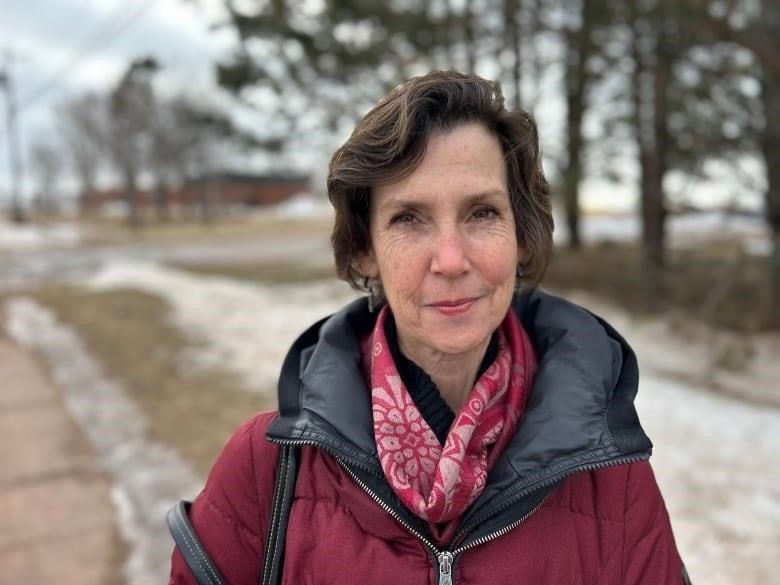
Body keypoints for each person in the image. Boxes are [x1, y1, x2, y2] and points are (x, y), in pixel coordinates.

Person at [169, 71, 688, 585]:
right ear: (365, 251)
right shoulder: (267, 469)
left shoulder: (610, 475)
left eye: (482, 212)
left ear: (521, 237)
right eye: (408, 219)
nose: (451, 259)